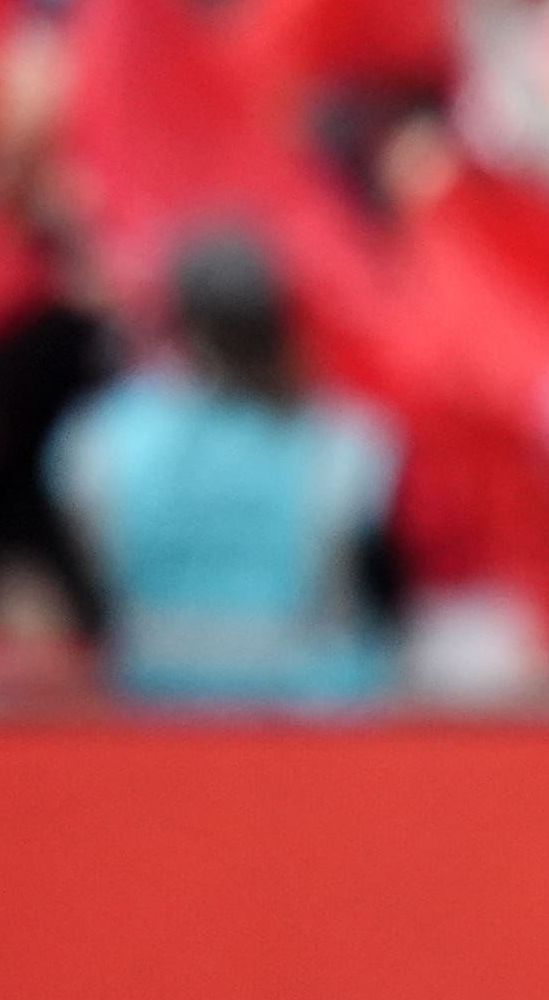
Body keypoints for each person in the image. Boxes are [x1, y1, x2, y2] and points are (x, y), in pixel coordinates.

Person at [48, 227, 398, 704]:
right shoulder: (348, 439)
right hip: (315, 726)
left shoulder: (99, 439)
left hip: (152, 718)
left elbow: (90, 576)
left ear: (169, 317)